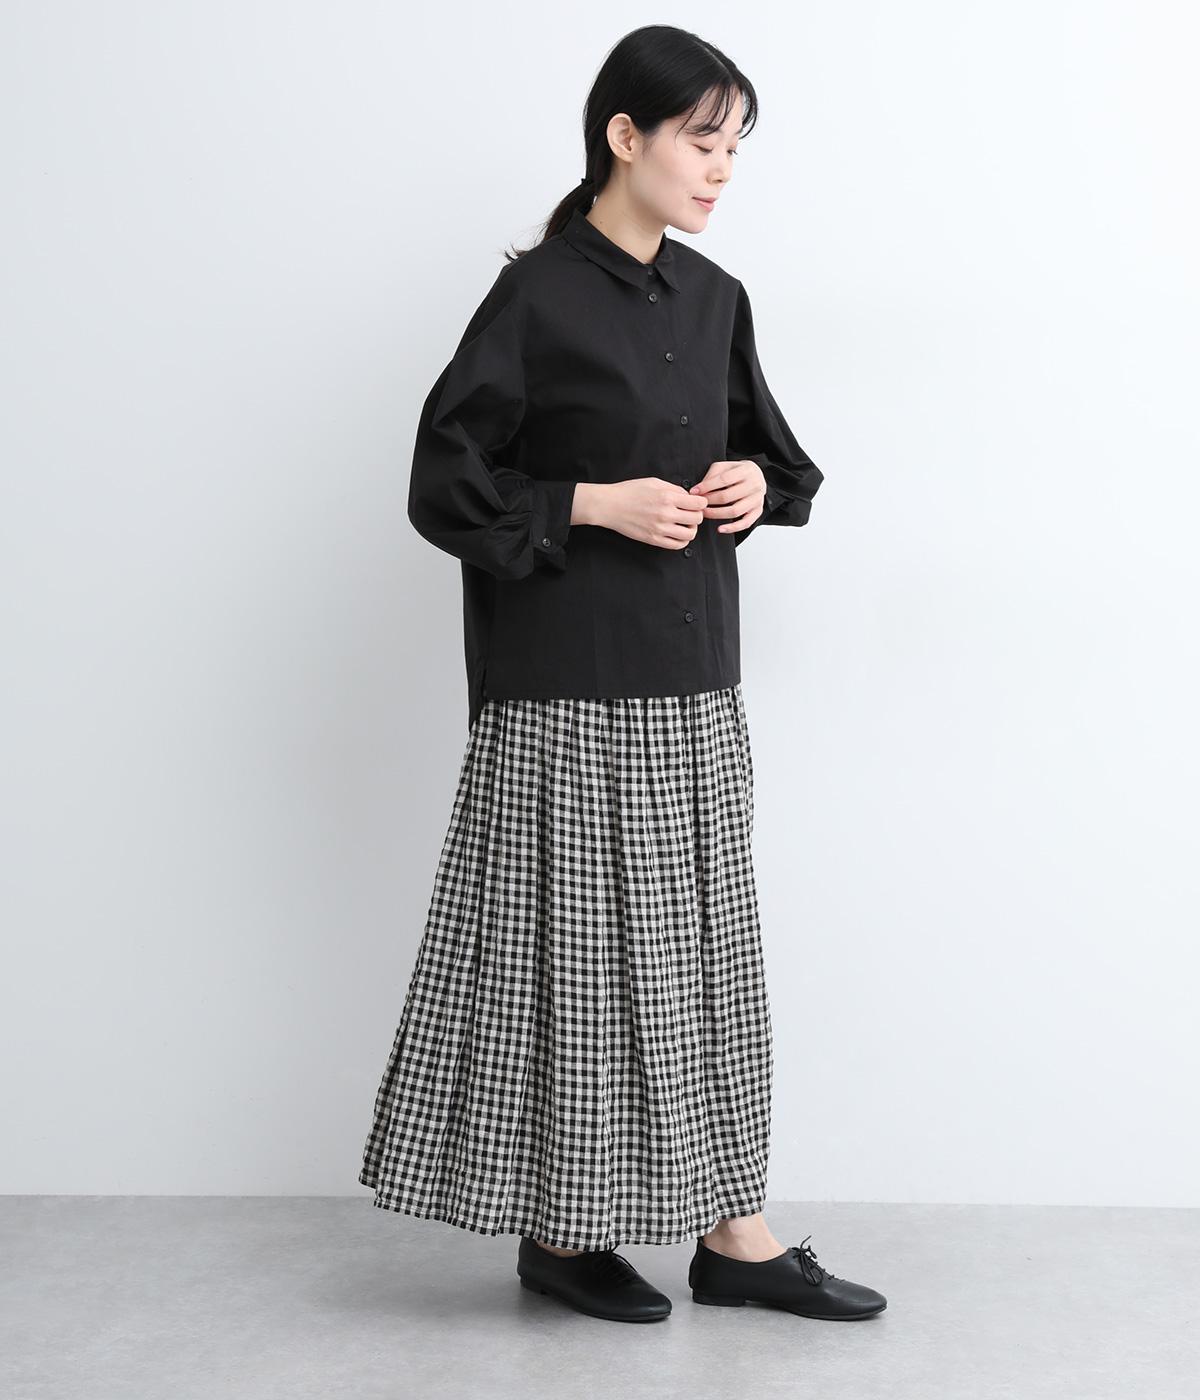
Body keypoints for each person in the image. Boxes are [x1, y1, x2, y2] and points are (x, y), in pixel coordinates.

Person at [358, 23, 887, 1325]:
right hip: (565, 686)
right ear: (625, 136)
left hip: (694, 679)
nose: (722, 170)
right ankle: (565, 1231)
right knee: (575, 967)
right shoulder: (536, 297)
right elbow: (442, 482)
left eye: (735, 147)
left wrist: (755, 483)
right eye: (703, 142)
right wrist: (591, 502)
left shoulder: (715, 299)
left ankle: (733, 1235)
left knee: (706, 962)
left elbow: (784, 467)